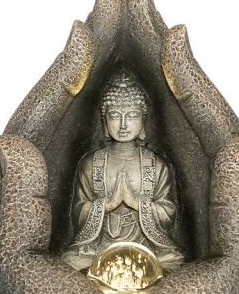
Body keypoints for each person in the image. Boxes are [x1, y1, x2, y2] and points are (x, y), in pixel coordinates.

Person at [62, 70, 185, 271]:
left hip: (145, 245)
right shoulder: (91, 164)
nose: (123, 125)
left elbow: (168, 212)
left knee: (174, 260)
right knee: (71, 261)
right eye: (114, 116)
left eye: (132, 116)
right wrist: (106, 205)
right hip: (99, 246)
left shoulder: (156, 165)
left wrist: (136, 203)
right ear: (105, 120)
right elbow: (78, 211)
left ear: (143, 119)